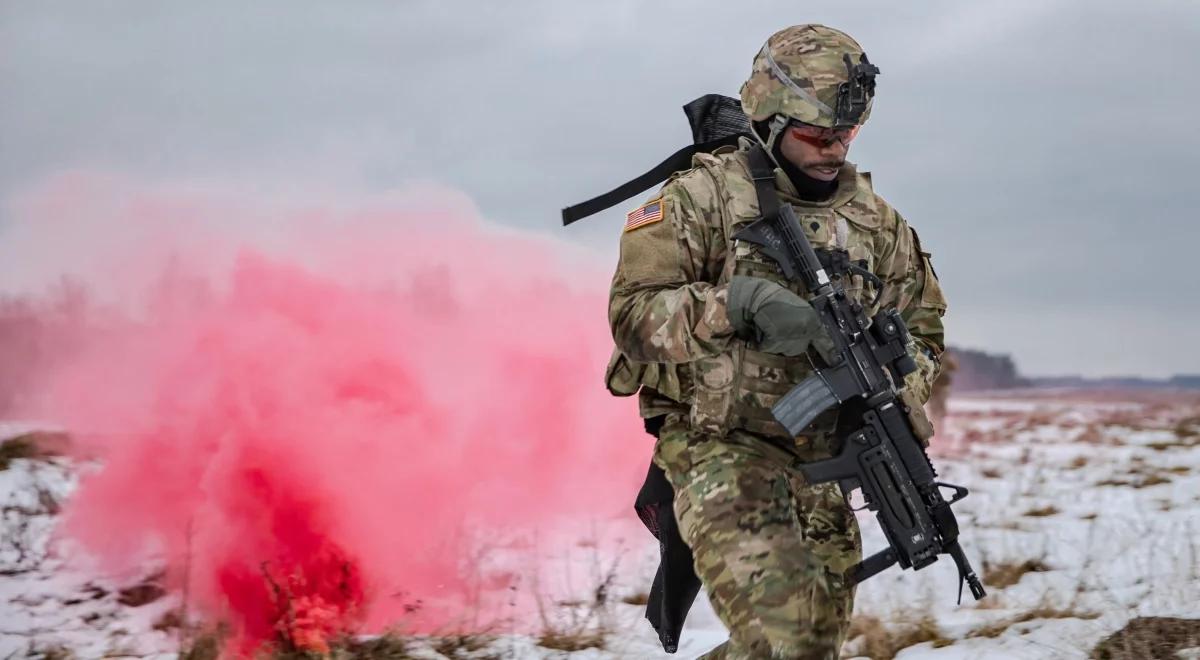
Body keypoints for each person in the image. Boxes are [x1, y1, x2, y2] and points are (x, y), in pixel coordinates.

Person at [605, 24, 948, 659]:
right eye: (818, 135)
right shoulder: (698, 199)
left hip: (830, 462)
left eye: (847, 134)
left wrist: (903, 383)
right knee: (786, 642)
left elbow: (924, 327)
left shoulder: (879, 225)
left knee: (810, 646)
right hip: (720, 450)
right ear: (769, 116)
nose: (834, 149)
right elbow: (632, 316)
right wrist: (736, 304)